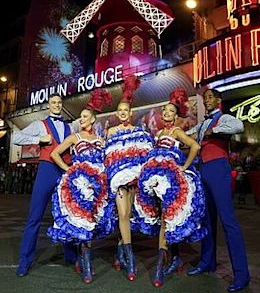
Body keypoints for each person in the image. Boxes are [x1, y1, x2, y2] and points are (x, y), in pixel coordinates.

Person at [133, 88, 206, 287]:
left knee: (167, 217)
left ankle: (159, 266)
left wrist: (183, 166)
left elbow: (195, 146)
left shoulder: (176, 131)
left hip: (170, 178)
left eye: (170, 111)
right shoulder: (159, 133)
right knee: (163, 217)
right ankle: (175, 258)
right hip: (154, 176)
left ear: (175, 115)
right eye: (164, 110)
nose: (166, 113)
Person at [186, 88, 251, 293]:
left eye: (210, 97)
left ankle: (242, 275)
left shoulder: (225, 118)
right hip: (202, 169)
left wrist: (213, 131)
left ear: (219, 100)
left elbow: (239, 126)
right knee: (206, 220)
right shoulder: (202, 123)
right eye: (205, 98)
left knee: (228, 220)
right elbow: (187, 134)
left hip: (218, 169)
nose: (207, 101)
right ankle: (207, 262)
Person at [48, 89, 114, 284]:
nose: (81, 119)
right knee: (82, 222)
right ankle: (86, 265)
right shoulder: (74, 138)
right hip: (78, 184)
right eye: (81, 116)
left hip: (98, 186)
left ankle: (81, 259)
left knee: (92, 222)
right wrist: (68, 169)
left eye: (85, 116)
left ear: (93, 120)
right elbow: (54, 154)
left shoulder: (101, 141)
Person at [12, 93, 78, 277]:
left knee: (68, 216)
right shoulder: (40, 125)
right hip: (47, 170)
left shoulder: (70, 127)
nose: (57, 105)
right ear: (48, 106)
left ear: (61, 105)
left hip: (64, 171)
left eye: (59, 102)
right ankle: (24, 262)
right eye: (53, 102)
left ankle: (71, 255)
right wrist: (38, 140)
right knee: (35, 216)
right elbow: (16, 137)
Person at [104, 75, 154, 281]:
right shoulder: (111, 131)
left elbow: (143, 155)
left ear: (130, 113)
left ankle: (120, 253)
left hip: (133, 179)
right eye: (120, 111)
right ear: (117, 113)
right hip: (117, 179)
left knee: (128, 215)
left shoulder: (139, 131)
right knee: (123, 215)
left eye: (126, 111)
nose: (123, 114)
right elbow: (107, 155)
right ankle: (130, 259)